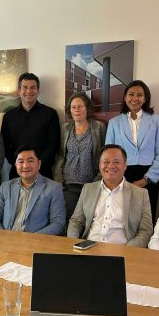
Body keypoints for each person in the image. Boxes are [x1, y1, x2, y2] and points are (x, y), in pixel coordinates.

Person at [66, 145, 152, 246]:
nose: (110, 166)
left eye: (116, 162)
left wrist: (128, 250)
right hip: (88, 249)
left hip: (123, 250)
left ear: (125, 165)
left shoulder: (140, 194)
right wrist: (73, 243)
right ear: (99, 165)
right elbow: (76, 221)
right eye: (106, 162)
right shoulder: (88, 189)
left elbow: (146, 231)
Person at [105, 80, 159, 221]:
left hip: (149, 176)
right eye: (131, 94)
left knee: (146, 219)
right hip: (122, 175)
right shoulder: (114, 123)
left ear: (145, 99)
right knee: (121, 219)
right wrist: (119, 179)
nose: (135, 98)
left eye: (139, 95)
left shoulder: (156, 121)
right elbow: (108, 155)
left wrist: (146, 180)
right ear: (125, 97)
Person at [0, 147, 65, 235]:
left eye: (30, 161)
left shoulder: (54, 188)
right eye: (21, 161)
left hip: (36, 240)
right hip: (7, 238)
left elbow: (58, 223)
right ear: (15, 165)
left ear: (39, 163)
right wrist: (4, 236)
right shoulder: (6, 186)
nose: (25, 166)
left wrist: (32, 239)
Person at [53, 93, 106, 221]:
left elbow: (104, 156)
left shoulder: (99, 127)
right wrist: (59, 180)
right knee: (70, 221)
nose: (77, 109)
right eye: (73, 107)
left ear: (87, 108)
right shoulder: (65, 128)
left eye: (80, 106)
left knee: (88, 221)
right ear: (69, 110)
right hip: (68, 186)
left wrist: (98, 180)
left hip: (91, 185)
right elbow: (60, 155)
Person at [0, 72, 60, 179]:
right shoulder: (9, 116)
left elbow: (53, 145)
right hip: (17, 173)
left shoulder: (50, 114)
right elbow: (4, 144)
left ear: (38, 90)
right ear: (19, 91)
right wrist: (18, 163)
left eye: (33, 87)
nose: (29, 91)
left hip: (43, 172)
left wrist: (37, 164)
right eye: (25, 87)